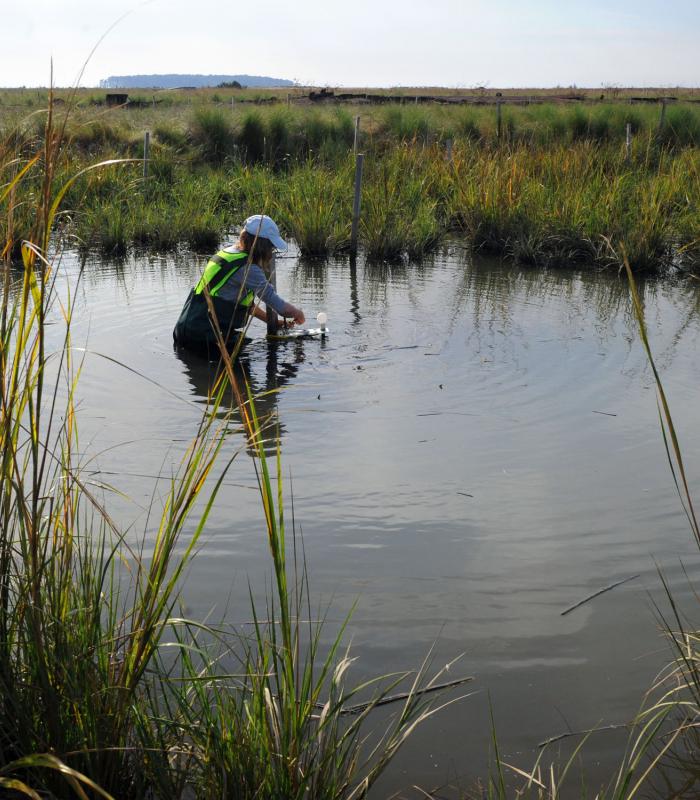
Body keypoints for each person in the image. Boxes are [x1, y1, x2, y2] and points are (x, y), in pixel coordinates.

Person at [173, 215, 305, 357]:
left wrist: (274, 322)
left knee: (244, 345)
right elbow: (278, 305)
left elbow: (246, 305)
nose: (271, 252)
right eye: (271, 247)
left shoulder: (227, 253)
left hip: (186, 329)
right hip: (205, 337)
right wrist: (298, 313)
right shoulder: (248, 268)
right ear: (262, 245)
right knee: (248, 356)